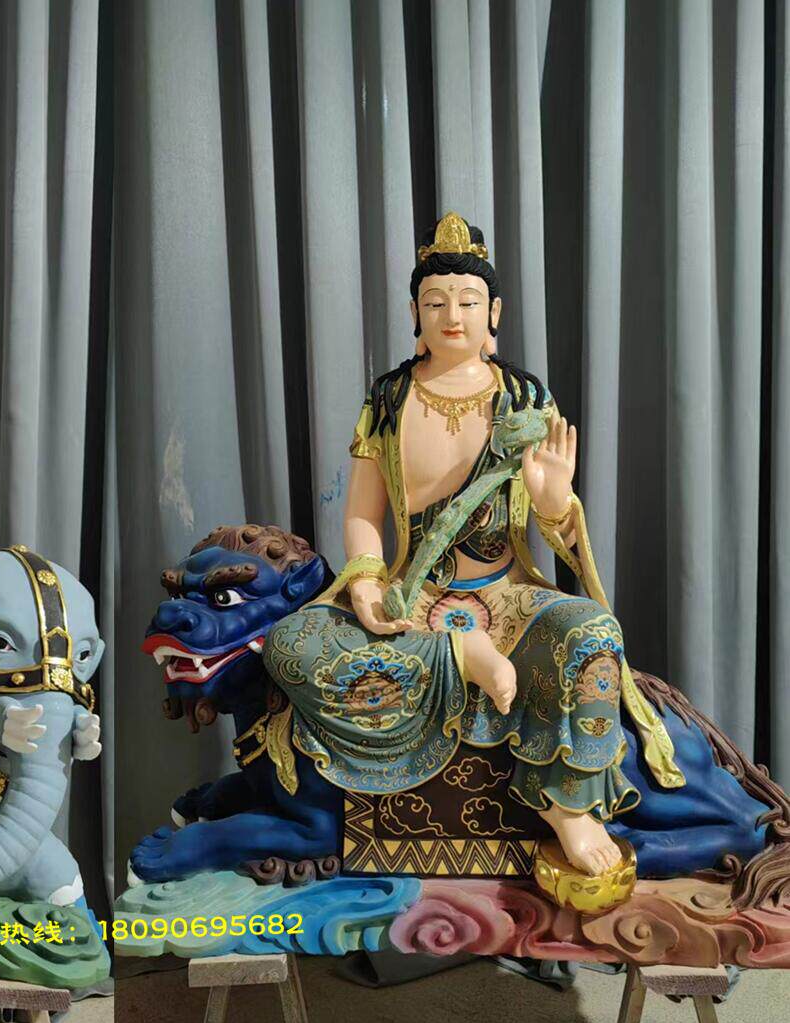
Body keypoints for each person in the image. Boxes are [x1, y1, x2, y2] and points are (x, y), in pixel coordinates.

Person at [263, 212, 683, 877]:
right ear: (414, 313)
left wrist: (554, 502)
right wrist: (366, 579)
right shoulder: (389, 398)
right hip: (416, 598)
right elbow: (364, 513)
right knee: (291, 644)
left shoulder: (523, 397)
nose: (451, 315)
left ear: (495, 313)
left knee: (596, 633)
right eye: (435, 302)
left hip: (508, 594)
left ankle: (568, 805)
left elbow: (556, 524)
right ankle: (461, 656)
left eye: (466, 300)